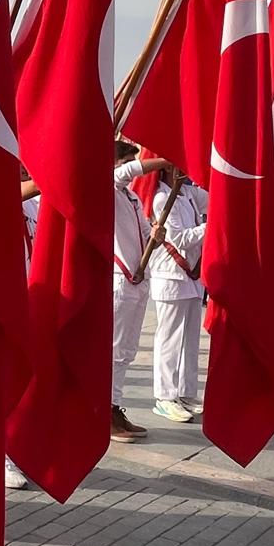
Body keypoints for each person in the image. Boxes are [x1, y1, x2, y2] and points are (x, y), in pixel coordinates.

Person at [109, 141, 171, 443]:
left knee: (126, 351)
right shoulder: (109, 188)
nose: (132, 169)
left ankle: (114, 406)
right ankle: (106, 411)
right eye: (127, 162)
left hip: (138, 279)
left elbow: (148, 238)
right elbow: (123, 173)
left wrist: (157, 236)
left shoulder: (132, 197)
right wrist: (166, 160)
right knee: (114, 350)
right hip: (119, 280)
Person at [147, 169, 207, 424]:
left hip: (191, 276)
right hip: (170, 275)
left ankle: (185, 391)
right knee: (169, 338)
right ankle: (165, 396)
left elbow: (217, 199)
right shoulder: (162, 197)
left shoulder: (188, 193)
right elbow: (181, 239)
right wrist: (210, 227)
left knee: (190, 338)